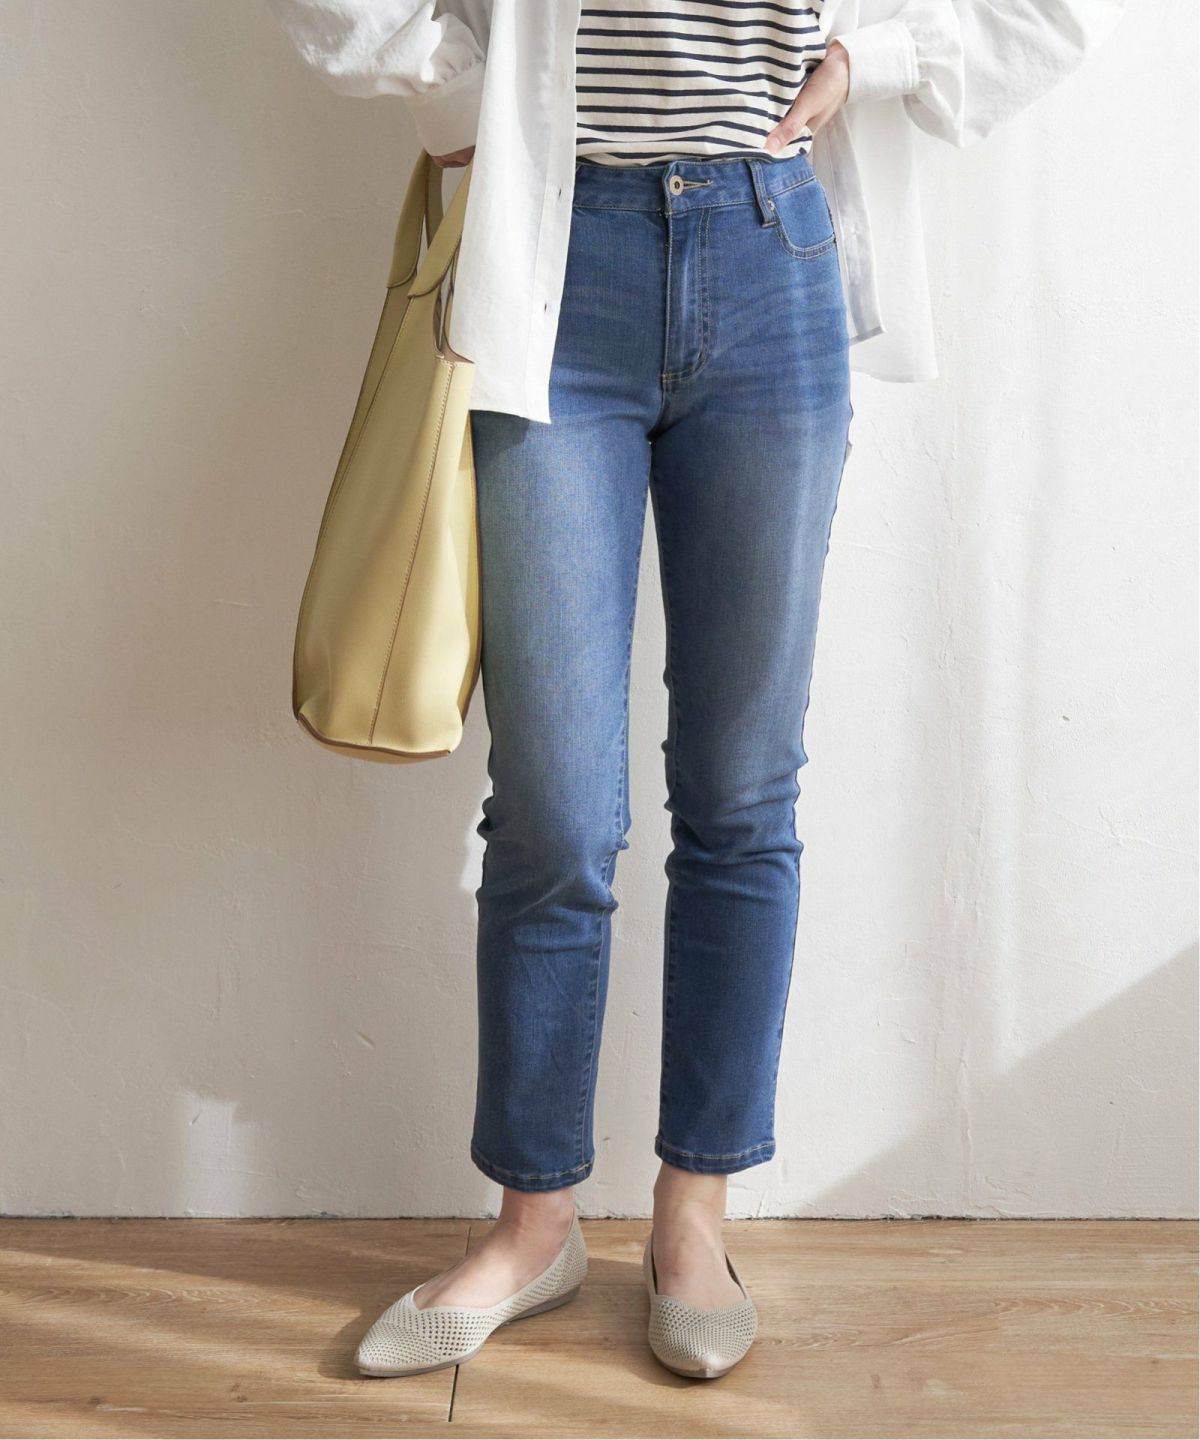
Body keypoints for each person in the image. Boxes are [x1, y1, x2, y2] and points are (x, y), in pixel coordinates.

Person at [268, 0, 1125, 1382]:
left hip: (769, 245)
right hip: (557, 257)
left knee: (740, 793)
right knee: (553, 809)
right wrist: (458, 91)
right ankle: (534, 1223)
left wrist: (880, 59)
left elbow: (1050, 18)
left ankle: (694, 1214)